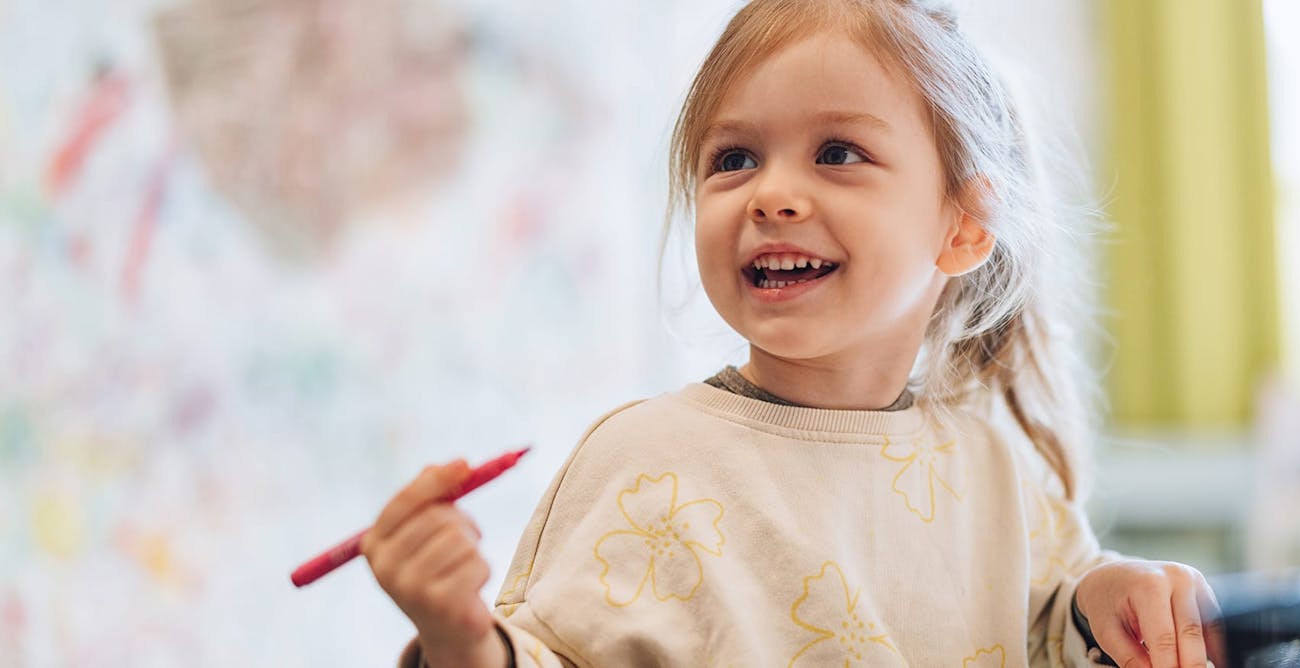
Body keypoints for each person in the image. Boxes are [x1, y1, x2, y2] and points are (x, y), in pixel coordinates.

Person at [360, 1, 1222, 666]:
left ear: (962, 225)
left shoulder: (995, 468)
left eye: (838, 152)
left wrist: (1108, 594)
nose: (771, 194)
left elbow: (1052, 614)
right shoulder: (648, 463)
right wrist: (461, 639)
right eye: (733, 158)